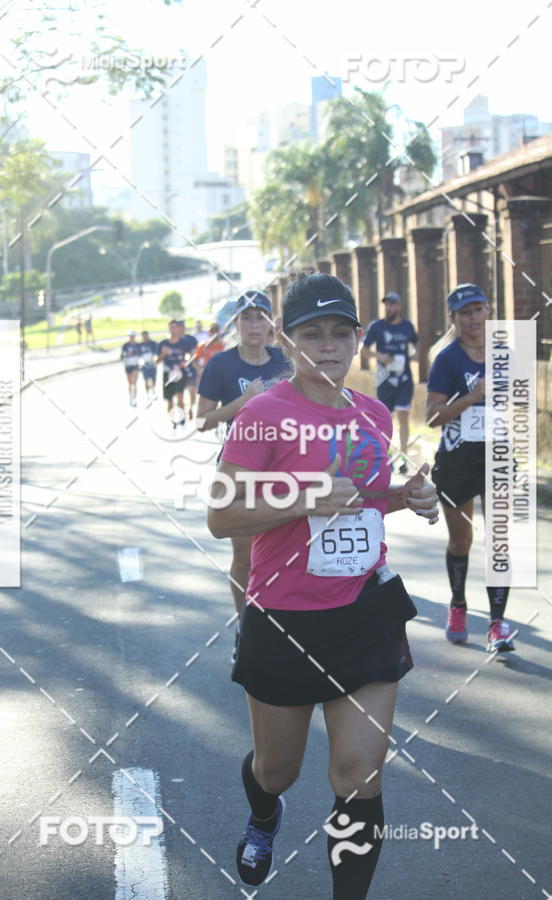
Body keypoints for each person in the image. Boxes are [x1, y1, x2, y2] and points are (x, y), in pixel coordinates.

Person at [207, 273, 438, 898]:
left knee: (359, 776)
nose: (328, 346)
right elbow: (220, 514)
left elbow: (360, 502)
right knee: (277, 770)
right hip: (285, 616)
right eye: (313, 334)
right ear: (288, 340)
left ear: (358, 339)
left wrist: (410, 495)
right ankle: (263, 816)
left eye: (341, 333)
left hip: (366, 610)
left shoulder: (370, 413)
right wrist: (299, 495)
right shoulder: (261, 416)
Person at [426, 283, 515, 653]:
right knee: (461, 540)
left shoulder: (504, 354)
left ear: (488, 312)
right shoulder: (447, 360)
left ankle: (497, 624)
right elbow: (431, 416)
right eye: (465, 312)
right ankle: (458, 605)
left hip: (496, 454)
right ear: (454, 319)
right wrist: (473, 397)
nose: (473, 318)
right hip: (457, 458)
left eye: (478, 310)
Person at [197, 290, 288, 638]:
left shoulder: (283, 359)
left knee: (286, 553)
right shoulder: (221, 363)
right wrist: (244, 401)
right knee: (246, 555)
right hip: (241, 466)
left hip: (285, 464)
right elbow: (202, 420)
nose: (254, 325)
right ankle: (246, 630)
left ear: (271, 324)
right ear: (236, 323)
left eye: (260, 317)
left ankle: (284, 627)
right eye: (246, 318)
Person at [361, 292, 419, 474]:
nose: (388, 308)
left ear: (399, 307)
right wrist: (379, 356)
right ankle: (386, 457)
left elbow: (417, 344)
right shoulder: (377, 327)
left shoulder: (407, 326)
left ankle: (403, 457)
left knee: (403, 416)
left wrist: (416, 354)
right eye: (386, 304)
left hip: (404, 378)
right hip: (384, 377)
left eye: (392, 304)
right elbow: (363, 349)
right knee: (385, 418)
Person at [158, 320, 190, 427]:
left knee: (180, 396)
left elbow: (192, 355)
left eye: (175, 327)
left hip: (180, 373)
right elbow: (156, 361)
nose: (173, 329)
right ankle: (173, 420)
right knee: (170, 400)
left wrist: (186, 362)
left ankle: (181, 418)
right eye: (170, 327)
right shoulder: (163, 343)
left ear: (178, 328)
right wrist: (163, 354)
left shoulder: (184, 343)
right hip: (168, 373)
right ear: (168, 329)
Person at [176, 320, 198, 417]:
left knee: (192, 392)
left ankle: (190, 409)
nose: (181, 329)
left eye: (182, 327)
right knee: (179, 395)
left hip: (190, 369)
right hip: (178, 371)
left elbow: (195, 354)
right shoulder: (173, 340)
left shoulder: (191, 339)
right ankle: (182, 415)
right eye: (179, 327)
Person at [120, 331, 141, 407]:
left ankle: (134, 398)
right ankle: (131, 397)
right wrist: (127, 354)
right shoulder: (125, 345)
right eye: (130, 336)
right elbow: (121, 357)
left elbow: (141, 354)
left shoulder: (138, 345)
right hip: (128, 365)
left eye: (133, 336)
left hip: (135, 365)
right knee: (130, 383)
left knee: (134, 382)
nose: (132, 338)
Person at [139, 330, 158, 398]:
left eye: (145, 336)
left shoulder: (153, 344)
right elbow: (138, 355)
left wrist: (154, 359)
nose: (144, 338)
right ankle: (148, 394)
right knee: (146, 379)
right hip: (145, 365)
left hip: (153, 365)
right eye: (143, 336)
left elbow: (156, 353)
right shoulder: (140, 345)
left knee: (153, 380)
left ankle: (153, 389)